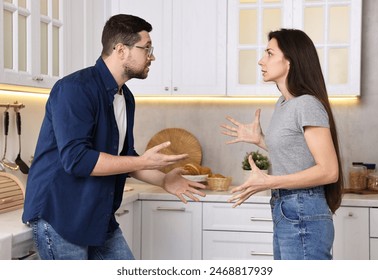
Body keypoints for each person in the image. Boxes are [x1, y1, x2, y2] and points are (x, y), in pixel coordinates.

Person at [22, 14, 206, 260]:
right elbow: (77, 160)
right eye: (147, 48)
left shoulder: (125, 97)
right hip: (61, 215)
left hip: (97, 216)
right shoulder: (75, 89)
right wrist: (142, 162)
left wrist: (164, 180)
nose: (152, 56)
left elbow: (125, 158)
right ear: (121, 50)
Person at [221, 28, 343, 260]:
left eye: (269, 53)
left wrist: (271, 181)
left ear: (290, 61)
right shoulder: (285, 103)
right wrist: (260, 140)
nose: (261, 60)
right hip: (286, 207)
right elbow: (299, 154)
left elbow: (329, 171)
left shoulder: (306, 104)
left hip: (303, 208)